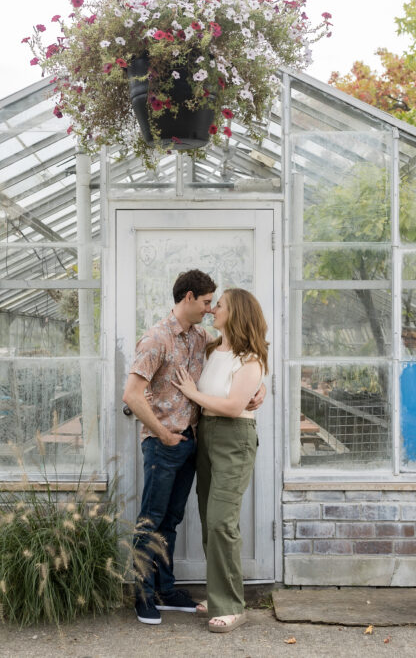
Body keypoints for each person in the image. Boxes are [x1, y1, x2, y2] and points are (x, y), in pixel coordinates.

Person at [122, 269, 264, 626]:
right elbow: (132, 395)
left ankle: (166, 589)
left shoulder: (203, 339)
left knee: (172, 520)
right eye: (205, 302)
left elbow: (241, 365)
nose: (210, 308)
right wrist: (162, 433)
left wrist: (259, 390)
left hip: (193, 442)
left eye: (215, 304)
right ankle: (142, 593)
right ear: (188, 298)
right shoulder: (156, 338)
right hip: (163, 443)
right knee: (151, 520)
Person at [173, 287, 269, 634]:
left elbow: (232, 406)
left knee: (221, 522)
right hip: (207, 435)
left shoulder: (251, 359)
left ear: (236, 313)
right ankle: (217, 598)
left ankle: (232, 606)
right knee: (208, 518)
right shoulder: (211, 349)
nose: (213, 310)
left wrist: (192, 394)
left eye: (220, 305)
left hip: (234, 437)